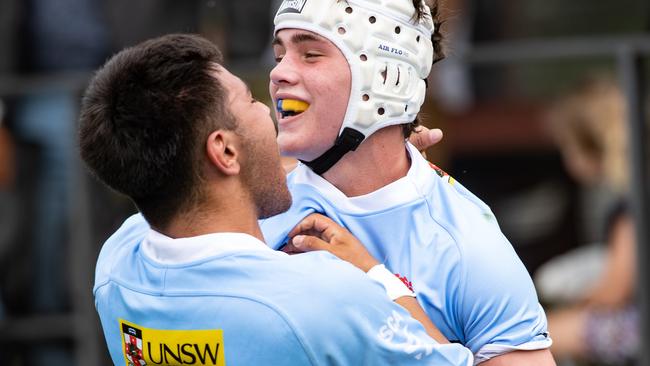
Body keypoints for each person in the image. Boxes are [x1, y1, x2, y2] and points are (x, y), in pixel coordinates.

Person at [109, 0, 556, 364]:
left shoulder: (466, 244)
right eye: (280, 51)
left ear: (384, 78)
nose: (278, 72)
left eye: (309, 53)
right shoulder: (245, 197)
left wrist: (375, 279)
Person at [80, 33, 474, 365]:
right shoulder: (327, 299)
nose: (268, 108)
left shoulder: (116, 267)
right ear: (226, 152)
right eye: (249, 102)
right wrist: (377, 275)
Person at [537, 77, 639, 364]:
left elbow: (614, 292)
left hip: (638, 327)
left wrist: (579, 304)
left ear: (588, 146)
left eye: (566, 148)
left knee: (534, 336)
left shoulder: (632, 208)